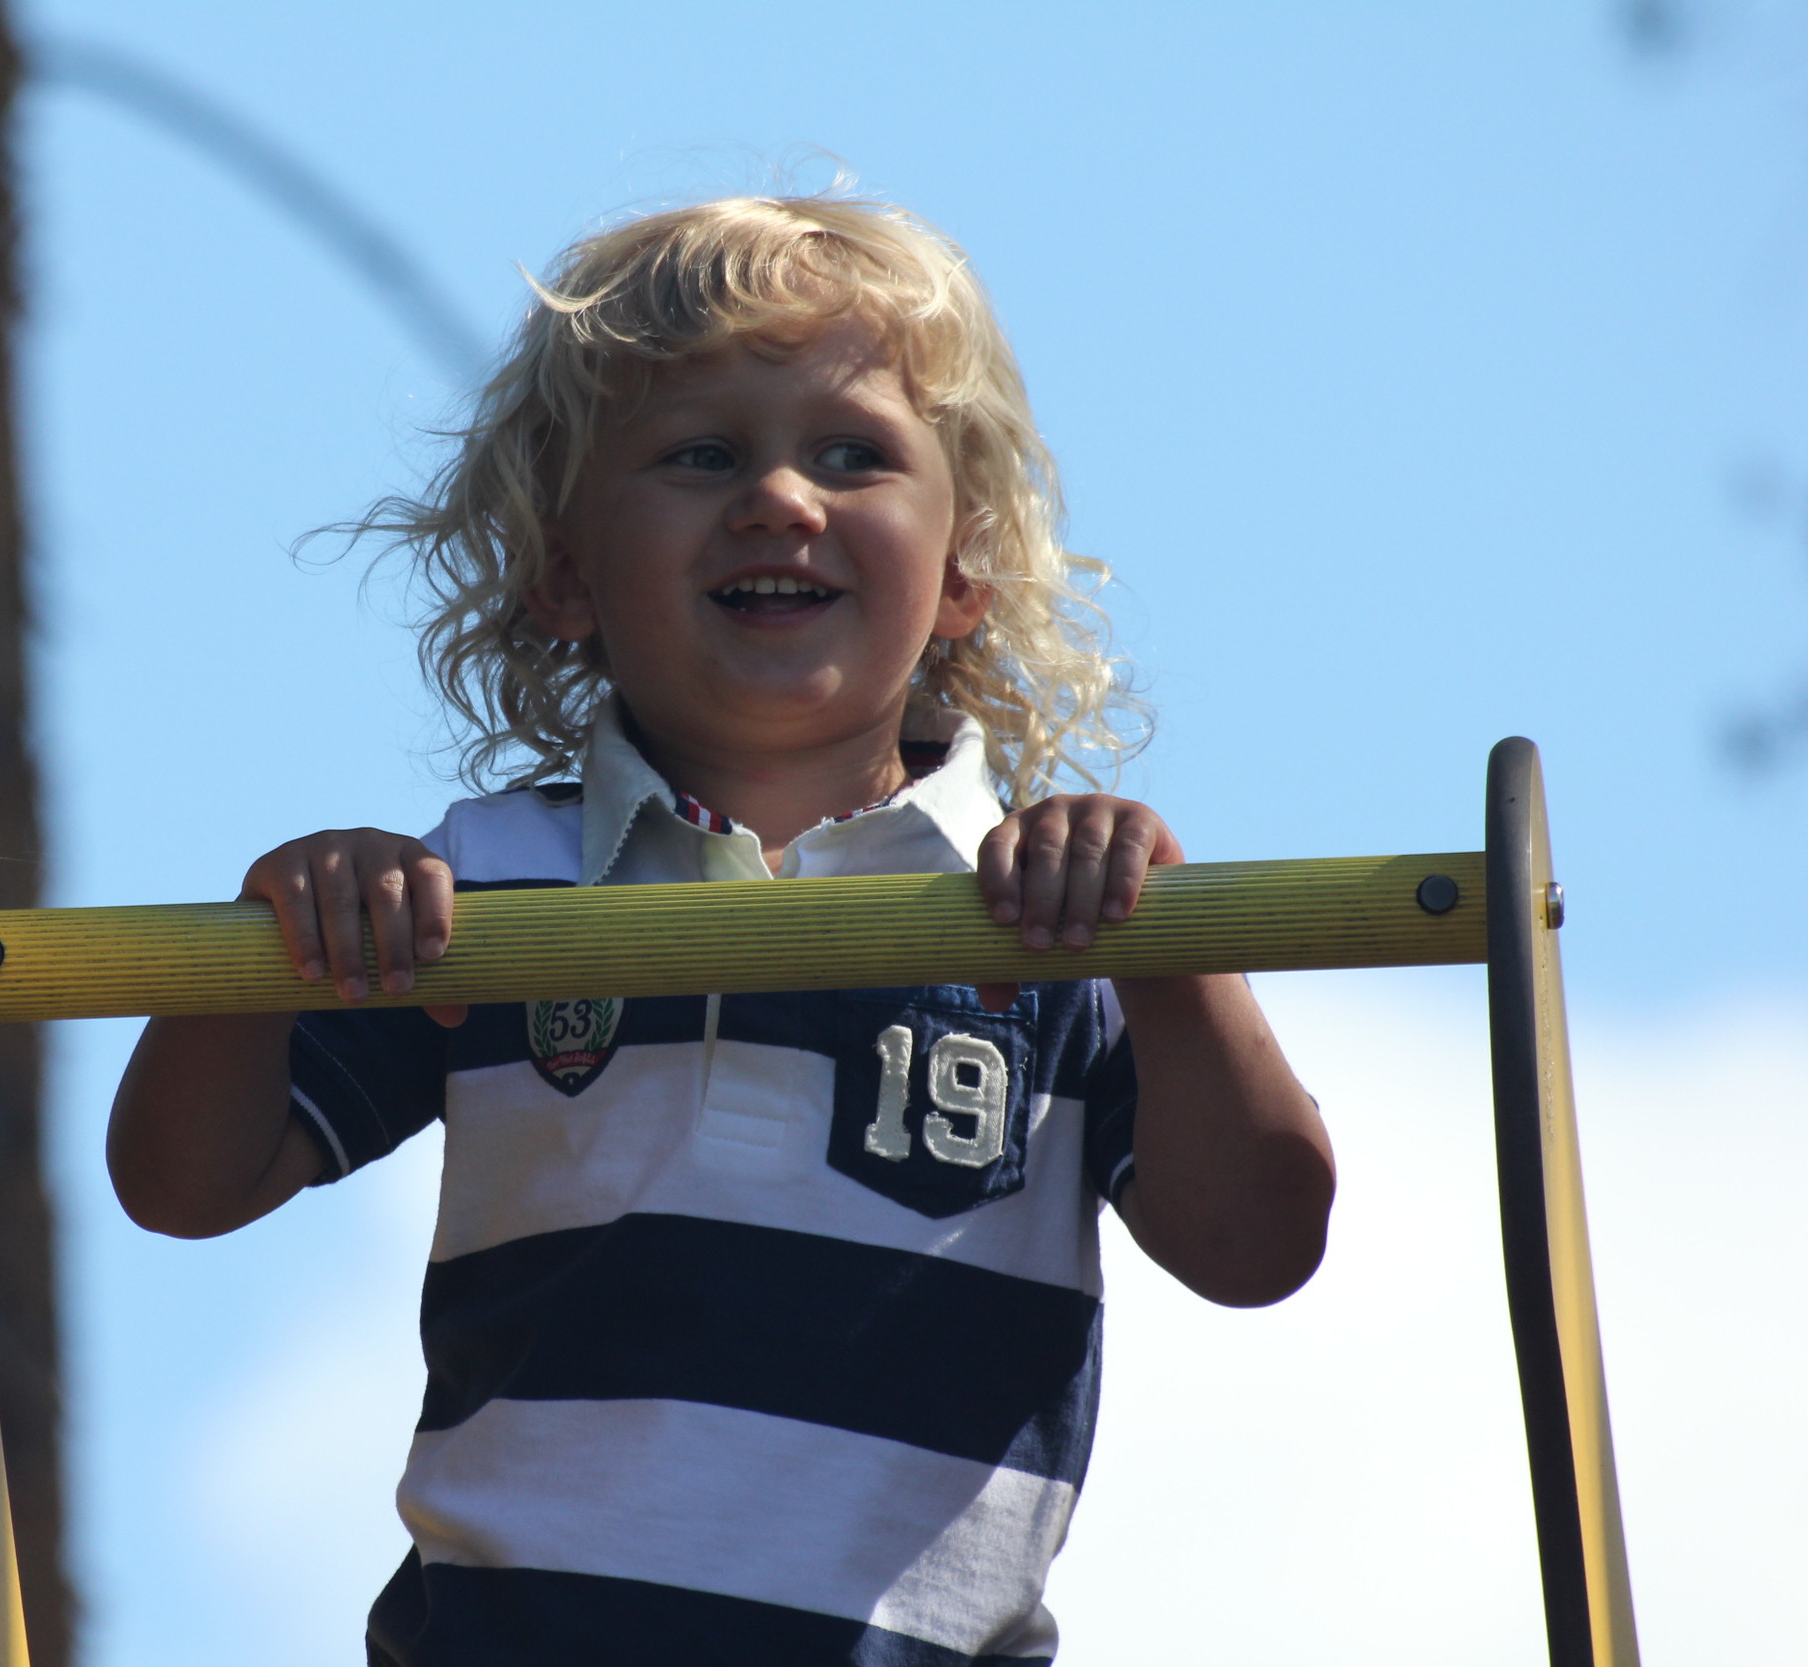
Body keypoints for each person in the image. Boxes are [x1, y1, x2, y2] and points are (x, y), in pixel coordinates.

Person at [107, 195, 1334, 1666]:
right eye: (700, 455)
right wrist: (269, 946)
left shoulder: (1041, 916)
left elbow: (1260, 1240)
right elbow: (184, 1183)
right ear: (564, 572)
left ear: (965, 573)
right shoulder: (485, 888)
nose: (779, 501)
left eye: (853, 455)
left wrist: (1172, 946)